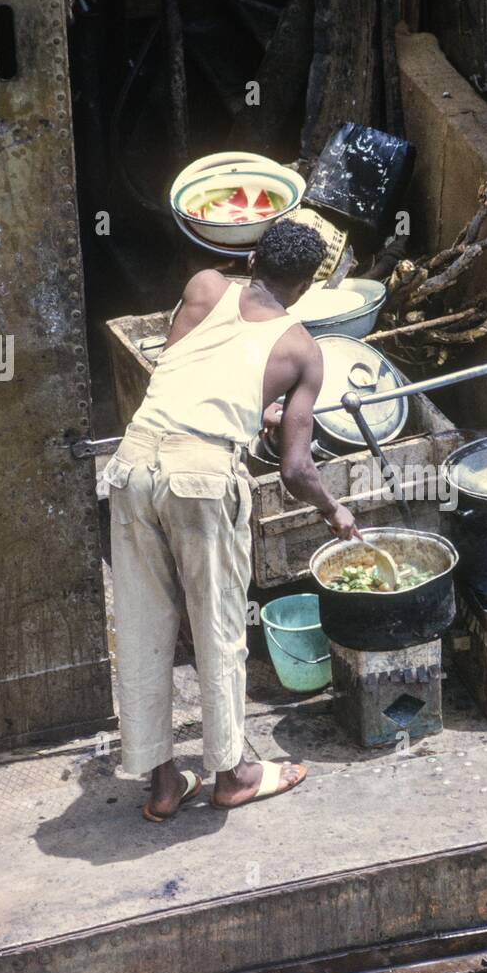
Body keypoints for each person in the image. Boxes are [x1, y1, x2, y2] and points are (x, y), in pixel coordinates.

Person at [104, 220, 360, 822]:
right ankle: (233, 773)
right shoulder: (301, 348)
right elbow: (296, 470)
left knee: (143, 627)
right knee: (219, 623)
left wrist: (254, 408)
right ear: (303, 290)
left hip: (134, 461)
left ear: (252, 258)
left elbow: (180, 371)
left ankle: (163, 784)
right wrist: (336, 509)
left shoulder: (204, 285)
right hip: (200, 478)